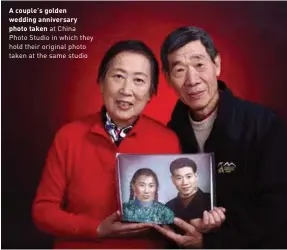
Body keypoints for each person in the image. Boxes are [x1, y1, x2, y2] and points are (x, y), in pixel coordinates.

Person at [153, 26, 287, 248]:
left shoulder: (264, 125)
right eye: (179, 70)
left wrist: (212, 241)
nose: (192, 80)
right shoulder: (170, 135)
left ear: (216, 64)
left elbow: (280, 205)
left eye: (199, 64)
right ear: (168, 79)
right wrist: (195, 226)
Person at [32, 40, 183, 249]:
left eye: (139, 80)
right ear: (101, 83)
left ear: (151, 93)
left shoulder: (167, 140)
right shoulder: (69, 136)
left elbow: (173, 210)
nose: (126, 89)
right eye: (118, 76)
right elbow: (43, 212)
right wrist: (96, 229)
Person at [166, 157, 211, 221]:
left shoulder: (210, 199)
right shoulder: (167, 207)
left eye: (189, 176)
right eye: (179, 178)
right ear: (173, 180)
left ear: (196, 176)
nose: (185, 183)